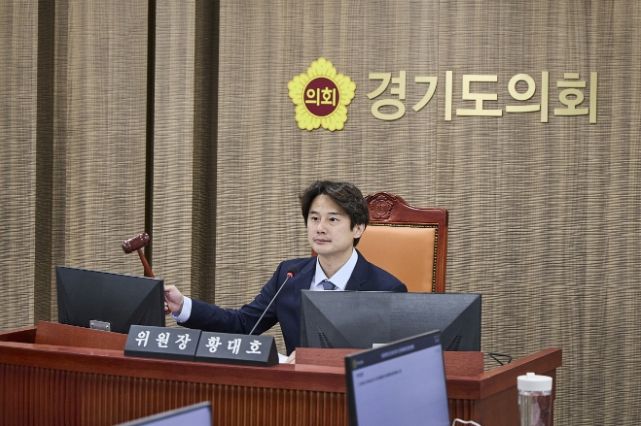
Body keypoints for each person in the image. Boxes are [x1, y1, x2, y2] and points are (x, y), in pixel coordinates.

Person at [164, 180, 407, 355]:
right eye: (314, 218)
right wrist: (183, 306)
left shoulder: (387, 289)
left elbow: (392, 362)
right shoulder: (289, 275)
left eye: (332, 219)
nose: (320, 228)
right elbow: (242, 324)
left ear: (358, 228)